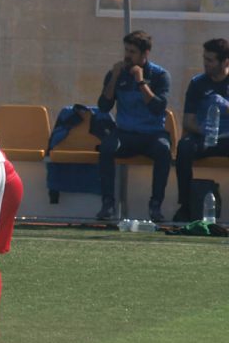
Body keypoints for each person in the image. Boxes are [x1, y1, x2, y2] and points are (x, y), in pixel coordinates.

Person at [96, 30, 172, 222]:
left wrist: (140, 81)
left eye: (133, 52)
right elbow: (104, 106)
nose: (128, 55)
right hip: (125, 134)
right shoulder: (116, 73)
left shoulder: (160, 75)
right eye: (126, 50)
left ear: (145, 54)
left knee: (164, 150)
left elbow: (158, 108)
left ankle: (155, 205)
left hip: (152, 135)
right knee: (106, 147)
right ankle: (108, 204)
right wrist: (113, 77)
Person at [174, 38, 229, 221]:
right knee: (184, 147)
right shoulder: (198, 84)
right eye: (204, 58)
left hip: (227, 138)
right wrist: (204, 130)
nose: (205, 63)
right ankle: (186, 205)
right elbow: (188, 121)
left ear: (225, 62)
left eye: (210, 60)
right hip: (204, 136)